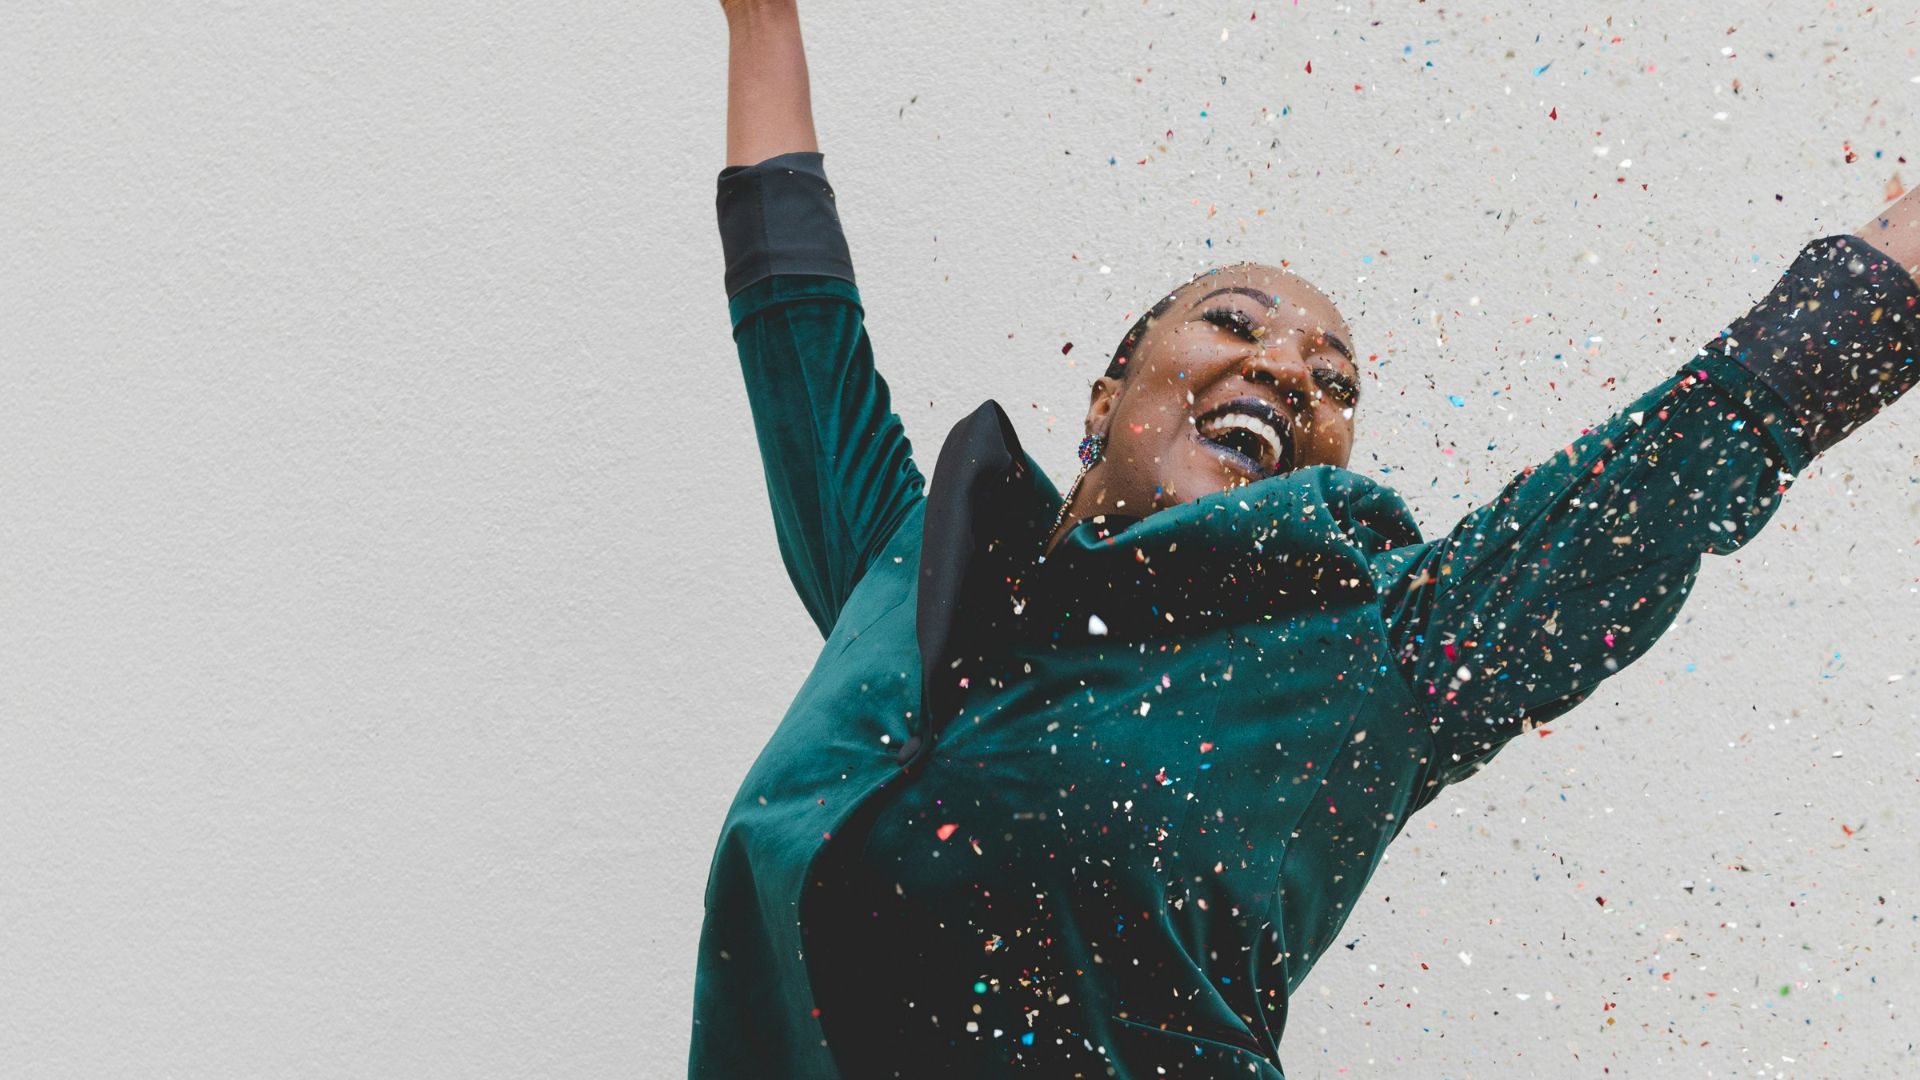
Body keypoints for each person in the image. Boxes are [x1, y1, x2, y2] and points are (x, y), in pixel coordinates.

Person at [691, 1, 1920, 1075]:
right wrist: (763, 20)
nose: (1283, 367)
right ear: (1109, 393)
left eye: (1330, 380)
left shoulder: (1364, 662)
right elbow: (797, 311)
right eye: (1235, 321)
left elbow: (1653, 481)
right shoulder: (900, 568)